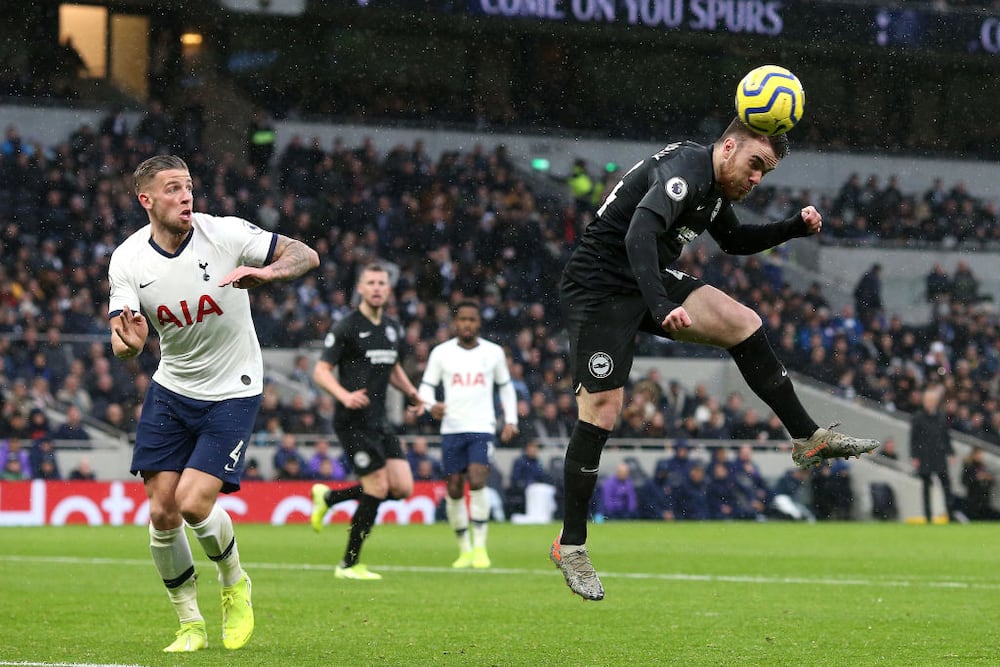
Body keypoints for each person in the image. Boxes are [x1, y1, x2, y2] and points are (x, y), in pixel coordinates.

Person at [549, 118, 880, 601]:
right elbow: (639, 232)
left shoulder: (717, 188)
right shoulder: (685, 170)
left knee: (742, 321)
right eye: (755, 165)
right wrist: (662, 307)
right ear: (728, 147)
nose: (756, 179)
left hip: (648, 277)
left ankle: (807, 438)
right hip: (597, 287)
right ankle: (571, 545)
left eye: (765, 172)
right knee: (603, 410)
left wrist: (793, 227)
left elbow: (735, 241)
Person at [108, 154, 319, 652]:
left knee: (193, 502)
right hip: (172, 386)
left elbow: (304, 253)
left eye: (189, 187)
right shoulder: (127, 260)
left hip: (233, 387)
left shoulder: (223, 233)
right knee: (161, 512)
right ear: (147, 200)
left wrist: (269, 275)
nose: (186, 197)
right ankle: (189, 625)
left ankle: (234, 583)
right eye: (173, 189)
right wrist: (131, 346)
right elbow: (122, 341)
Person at [308, 264, 425, 580]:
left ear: (388, 289)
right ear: (360, 288)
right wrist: (344, 396)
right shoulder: (346, 326)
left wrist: (413, 393)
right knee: (376, 486)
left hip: (380, 420)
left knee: (402, 488)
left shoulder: (392, 328)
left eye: (382, 283)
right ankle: (348, 564)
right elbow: (320, 371)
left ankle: (330, 498)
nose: (376, 288)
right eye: (370, 282)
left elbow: (394, 366)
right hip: (353, 421)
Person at [417, 300, 518, 568]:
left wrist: (511, 419)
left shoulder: (494, 353)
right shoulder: (441, 353)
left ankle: (481, 548)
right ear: (455, 323)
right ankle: (464, 549)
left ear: (478, 323)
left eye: (472, 320)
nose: (467, 324)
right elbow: (426, 387)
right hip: (451, 428)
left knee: (477, 478)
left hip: (481, 427)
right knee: (453, 488)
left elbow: (506, 387)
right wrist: (430, 405)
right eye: (463, 319)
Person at [909, 385, 956, 523]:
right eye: (927, 400)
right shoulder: (918, 417)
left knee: (946, 486)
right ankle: (928, 517)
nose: (929, 402)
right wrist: (915, 456)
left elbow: (946, 437)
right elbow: (914, 439)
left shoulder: (941, 417)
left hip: (939, 456)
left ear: (936, 401)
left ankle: (950, 515)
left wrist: (951, 452)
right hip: (925, 457)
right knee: (926, 489)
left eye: (931, 400)